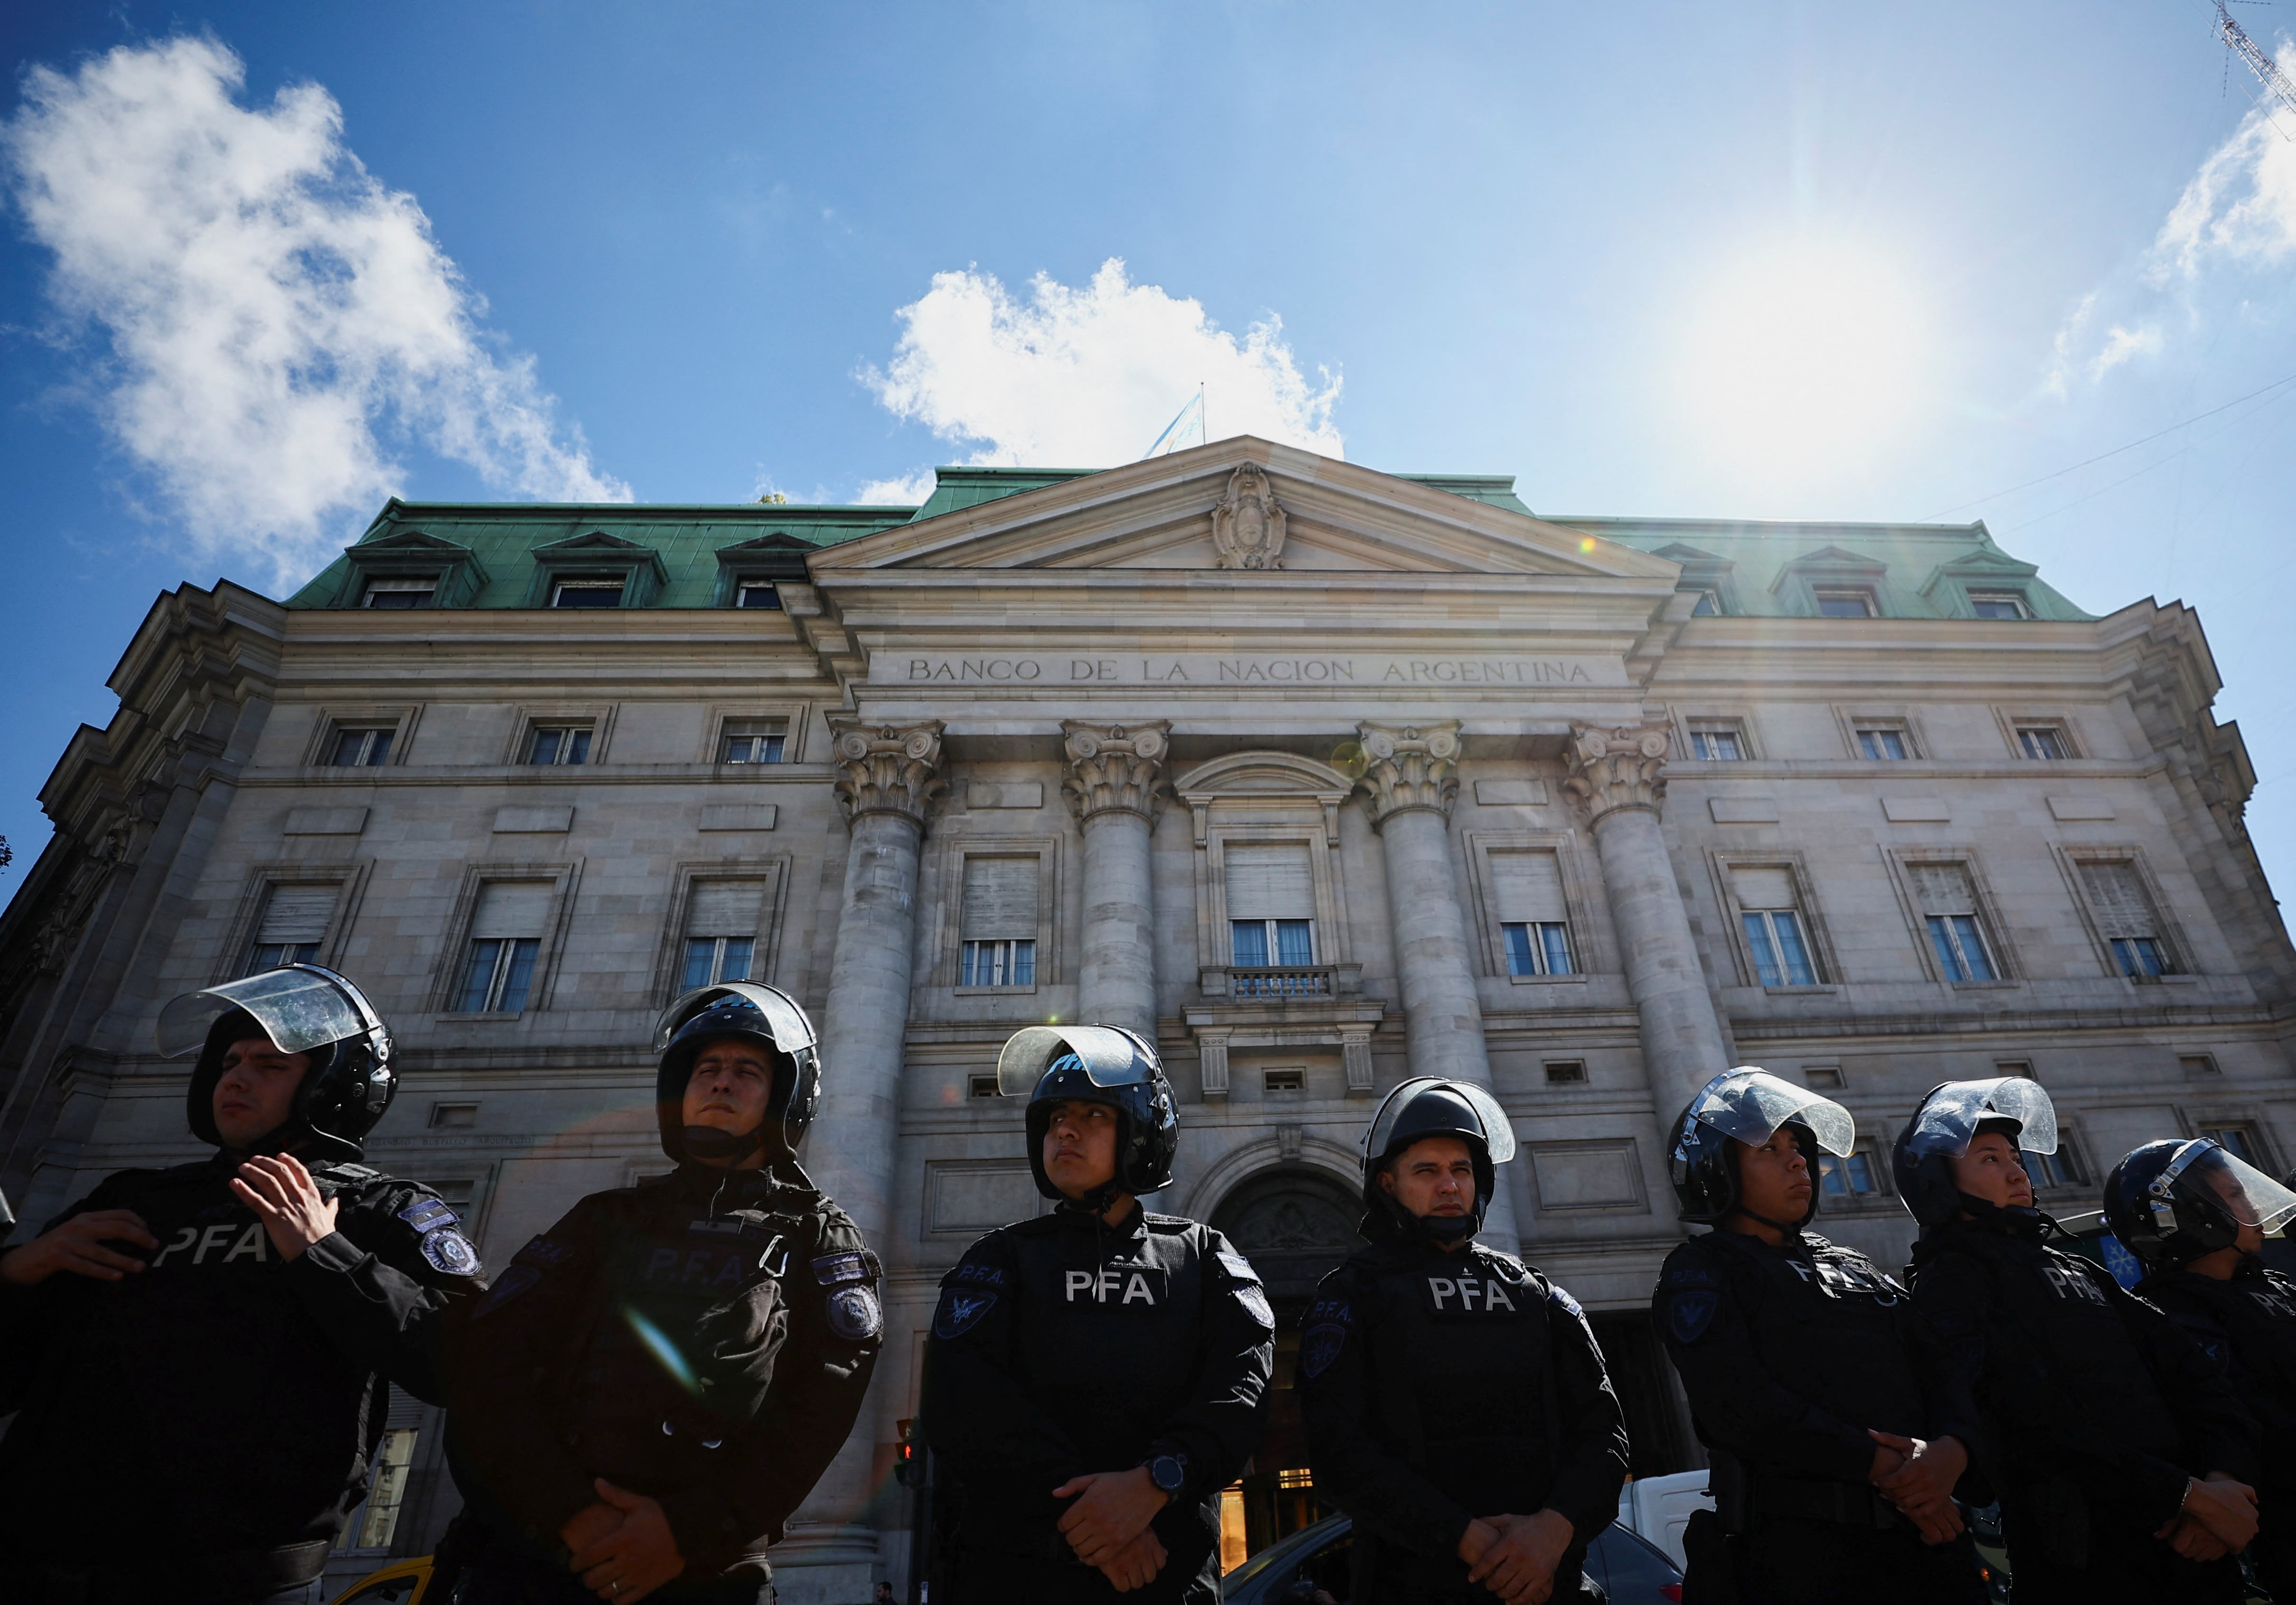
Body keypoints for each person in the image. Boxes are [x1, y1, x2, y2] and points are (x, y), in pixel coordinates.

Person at [0, 963, 484, 1605]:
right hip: (43, 1565)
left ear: (334, 1083)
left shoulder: (375, 1208)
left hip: (242, 1578)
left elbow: (473, 1361)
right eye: (229, 1059)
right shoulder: (134, 1201)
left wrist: (324, 1253)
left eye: (269, 1063)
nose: (235, 1076)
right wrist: (15, 1273)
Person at [442, 982, 881, 1605]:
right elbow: (490, 1371)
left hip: (706, 1572)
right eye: (707, 1068)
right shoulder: (603, 1218)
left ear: (786, 1094)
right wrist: (571, 1514)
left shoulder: (818, 1238)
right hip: (539, 1557)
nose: (721, 1083)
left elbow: (815, 1416)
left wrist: (688, 1529)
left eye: (746, 1070)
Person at [921, 1025, 1273, 1604]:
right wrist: (1101, 1525)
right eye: (1057, 1114)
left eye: (1093, 1113)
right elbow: (964, 1405)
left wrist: (1157, 1481)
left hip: (1168, 1581)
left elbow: (1240, 1393)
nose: (1065, 1128)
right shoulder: (999, 1258)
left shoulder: (1203, 1257)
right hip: (1021, 1578)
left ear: (1141, 1132)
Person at [1900, 1078, 2261, 1605]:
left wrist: (2222, 1481)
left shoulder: (2078, 1269)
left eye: (2014, 1155)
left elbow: (2194, 1375)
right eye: (1989, 1159)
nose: (2016, 1169)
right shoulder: (1950, 1280)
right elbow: (2023, 1417)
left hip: (2190, 1543)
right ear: (1939, 1181)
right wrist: (2187, 1496)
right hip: (2082, 1555)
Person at [1649, 1067, 1986, 1605]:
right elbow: (1739, 1404)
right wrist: (1895, 1473)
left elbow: (1943, 1370)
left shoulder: (1853, 1263)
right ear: (1718, 1169)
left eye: (1800, 1146)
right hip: (1804, 1556)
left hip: (1927, 1543)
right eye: (1770, 1148)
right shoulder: (1703, 1269)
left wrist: (1951, 1453)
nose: (1798, 1160)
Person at [1299, 1077, 1629, 1605]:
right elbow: (1340, 1452)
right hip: (1415, 1585)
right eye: (1426, 1171)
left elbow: (1604, 1434)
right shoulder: (1352, 1295)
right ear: (1387, 1184)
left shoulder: (1535, 1293)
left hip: (1548, 1582)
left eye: (1461, 1170)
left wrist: (1552, 1531)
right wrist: (1468, 1540)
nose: (1449, 1185)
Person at [2106, 1137, 2296, 1601]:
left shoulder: (2275, 1286)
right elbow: (2234, 1416)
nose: (2251, 1202)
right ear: (2193, 1215)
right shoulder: (2170, 1313)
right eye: (2233, 1195)